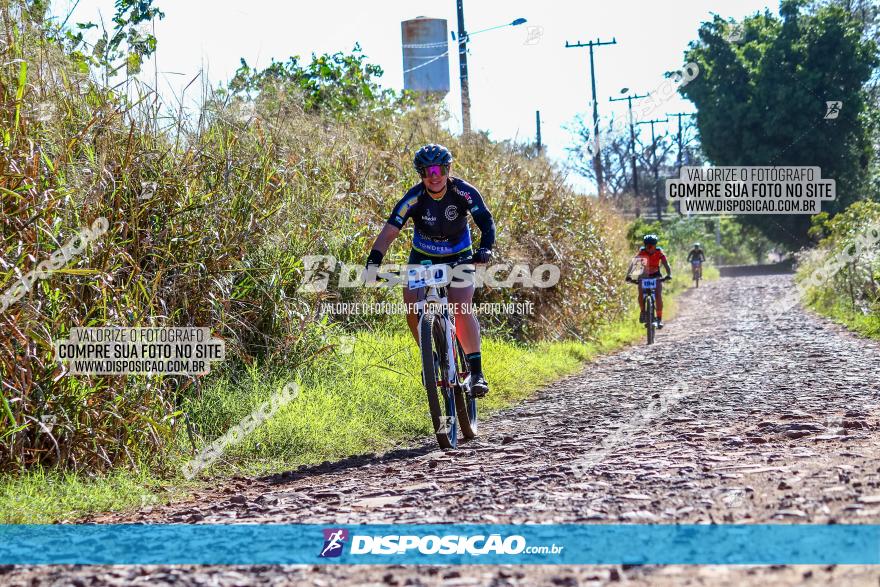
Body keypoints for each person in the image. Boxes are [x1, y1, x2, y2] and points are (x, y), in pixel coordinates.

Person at [364, 144, 495, 397]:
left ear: (448, 169)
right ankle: (430, 357)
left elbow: (486, 222)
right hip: (423, 258)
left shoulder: (464, 192)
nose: (434, 175)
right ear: (420, 173)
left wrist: (485, 249)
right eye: (427, 171)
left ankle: (477, 372)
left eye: (439, 169)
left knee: (460, 306)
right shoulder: (413, 198)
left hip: (459, 256)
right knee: (412, 304)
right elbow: (390, 231)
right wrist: (373, 262)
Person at [626, 234, 672, 328]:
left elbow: (666, 264)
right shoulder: (642, 253)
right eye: (648, 246)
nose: (650, 248)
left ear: (655, 246)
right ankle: (643, 312)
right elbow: (634, 266)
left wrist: (668, 274)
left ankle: (659, 319)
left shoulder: (659, 252)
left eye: (652, 246)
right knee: (640, 292)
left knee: (658, 295)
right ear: (645, 245)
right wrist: (629, 276)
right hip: (644, 275)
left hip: (655, 275)